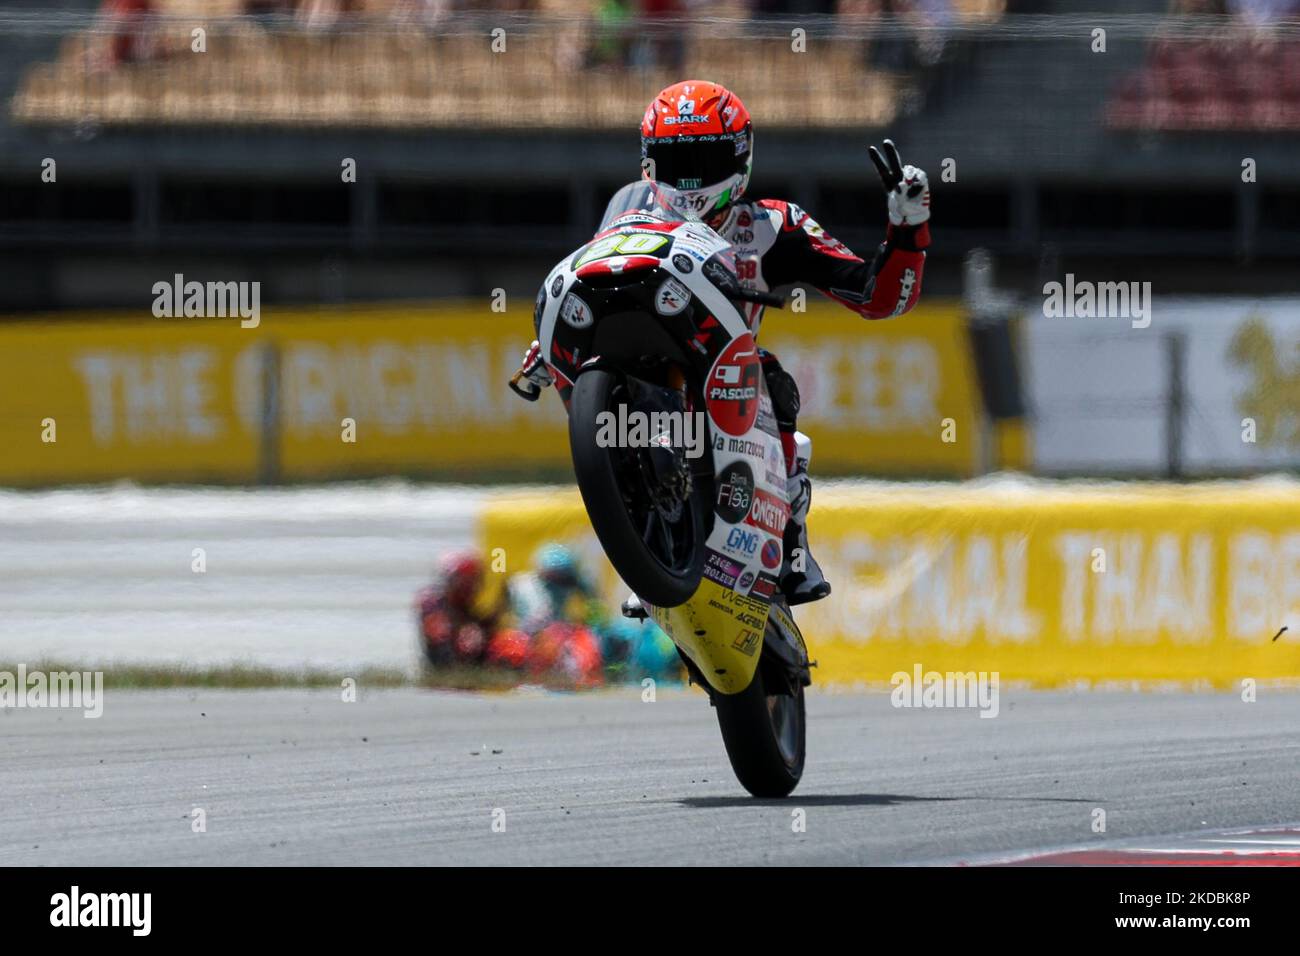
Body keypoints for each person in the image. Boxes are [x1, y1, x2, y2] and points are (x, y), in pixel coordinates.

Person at [514, 81, 931, 606]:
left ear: (741, 158)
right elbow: (591, 279)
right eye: (675, 160)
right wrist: (547, 345)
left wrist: (907, 228)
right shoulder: (628, 210)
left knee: (774, 378)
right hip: (639, 361)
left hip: (729, 378)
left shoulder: (773, 224)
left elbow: (879, 299)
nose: (689, 180)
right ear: (648, 163)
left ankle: (793, 542)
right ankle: (643, 540)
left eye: (705, 159)